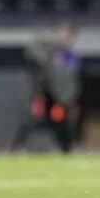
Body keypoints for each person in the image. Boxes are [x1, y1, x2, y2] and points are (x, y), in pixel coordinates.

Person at [14, 23, 82, 153]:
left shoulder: (71, 55)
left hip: (60, 98)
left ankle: (64, 148)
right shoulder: (49, 50)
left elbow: (68, 79)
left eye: (66, 35)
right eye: (60, 34)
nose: (62, 38)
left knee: (60, 122)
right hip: (45, 94)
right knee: (34, 120)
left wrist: (71, 99)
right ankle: (28, 147)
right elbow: (32, 53)